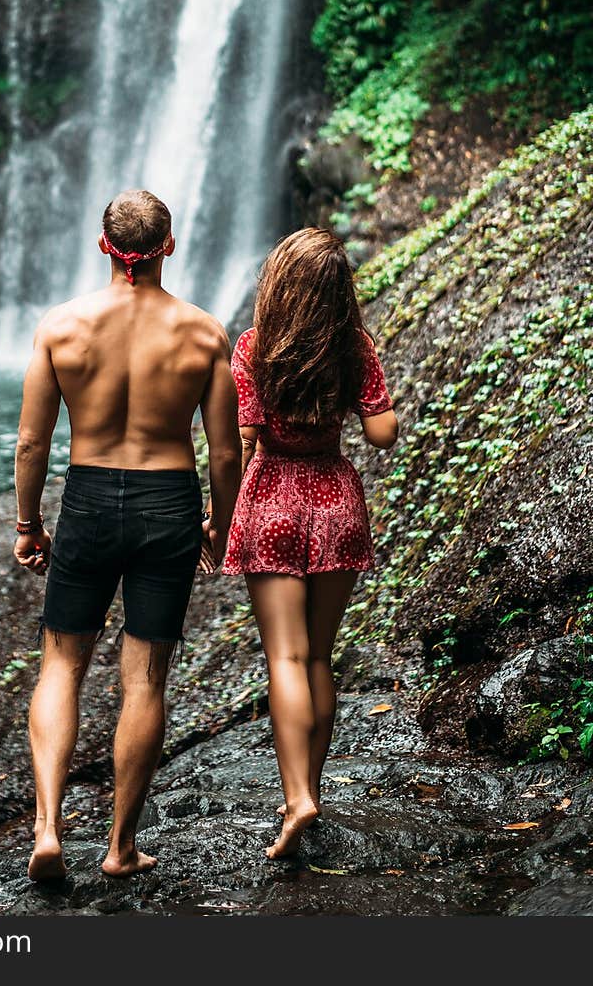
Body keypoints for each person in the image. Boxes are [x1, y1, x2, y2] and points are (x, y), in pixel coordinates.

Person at [13, 189, 242, 882]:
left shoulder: (61, 327)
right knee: (144, 681)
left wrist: (29, 523)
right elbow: (226, 453)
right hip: (165, 503)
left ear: (103, 245)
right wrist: (220, 525)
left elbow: (31, 441)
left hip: (85, 500)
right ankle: (119, 848)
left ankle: (48, 829)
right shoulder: (204, 334)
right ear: (168, 245)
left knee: (61, 666)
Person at [222, 227, 398, 859]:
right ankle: (310, 787)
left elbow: (243, 439)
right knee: (319, 657)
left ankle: (296, 795)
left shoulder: (253, 347)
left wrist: (223, 512)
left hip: (271, 499)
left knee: (285, 660)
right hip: (335, 503)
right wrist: (365, 386)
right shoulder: (354, 347)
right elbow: (382, 433)